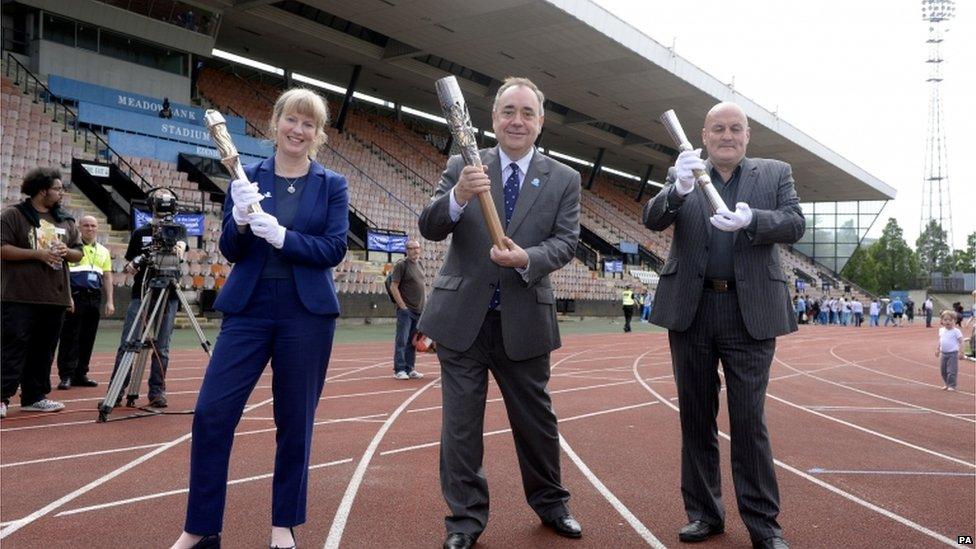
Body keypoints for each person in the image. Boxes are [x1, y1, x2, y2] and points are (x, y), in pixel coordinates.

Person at [170, 88, 348, 549]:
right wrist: (244, 221)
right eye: (292, 119)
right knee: (211, 414)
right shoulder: (246, 177)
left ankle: (283, 524)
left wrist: (284, 236)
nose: (298, 130)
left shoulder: (332, 184)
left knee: (294, 422)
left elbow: (334, 248)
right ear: (276, 122)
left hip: (305, 315)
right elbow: (231, 249)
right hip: (247, 310)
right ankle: (201, 526)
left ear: (318, 134)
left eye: (309, 124)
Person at [417, 77, 583, 549]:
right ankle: (465, 522)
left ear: (540, 122)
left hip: (524, 317)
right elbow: (430, 226)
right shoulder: (462, 164)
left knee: (536, 423)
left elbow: (566, 242)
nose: (517, 120)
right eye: (508, 111)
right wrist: (459, 197)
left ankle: (552, 504)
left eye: (527, 113)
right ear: (492, 119)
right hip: (462, 321)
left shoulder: (564, 178)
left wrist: (526, 257)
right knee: (461, 428)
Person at [643, 102, 802, 549]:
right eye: (718, 128)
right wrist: (676, 188)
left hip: (749, 311)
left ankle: (764, 525)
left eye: (735, 128)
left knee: (749, 421)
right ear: (704, 135)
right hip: (692, 310)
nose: (727, 135)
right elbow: (652, 219)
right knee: (696, 417)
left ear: (747, 135)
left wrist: (755, 220)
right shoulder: (687, 170)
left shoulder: (774, 173)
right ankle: (704, 514)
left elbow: (795, 223)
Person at [1, 167, 83, 418]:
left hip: (54, 296)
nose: (61, 193)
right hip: (19, 295)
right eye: (57, 188)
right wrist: (38, 253)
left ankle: (34, 396)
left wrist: (65, 251)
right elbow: (2, 248)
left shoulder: (66, 220)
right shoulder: (13, 216)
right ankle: (2, 397)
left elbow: (79, 254)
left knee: (44, 350)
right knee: (12, 347)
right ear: (42, 190)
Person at [108, 207, 187, 409]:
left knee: (162, 347)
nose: (163, 218)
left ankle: (157, 392)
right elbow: (130, 263)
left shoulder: (178, 230)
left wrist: (178, 248)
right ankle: (116, 392)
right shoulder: (140, 232)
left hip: (168, 294)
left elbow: (181, 249)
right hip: (142, 292)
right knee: (129, 342)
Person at [57, 215, 114, 389]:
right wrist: (68, 297)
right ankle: (66, 375)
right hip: (75, 295)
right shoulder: (73, 249)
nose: (90, 228)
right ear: (79, 228)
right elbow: (63, 273)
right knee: (70, 337)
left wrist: (109, 300)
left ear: (97, 228)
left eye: (93, 225)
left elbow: (107, 276)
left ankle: (80, 374)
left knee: (88, 338)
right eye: (86, 225)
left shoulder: (104, 251)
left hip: (94, 298)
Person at [390, 239, 426, 380]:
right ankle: (399, 369)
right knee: (402, 340)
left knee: (412, 341)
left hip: (419, 310)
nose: (414, 251)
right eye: (411, 248)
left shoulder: (420, 265)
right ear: (406, 250)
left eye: (416, 248)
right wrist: (403, 306)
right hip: (406, 310)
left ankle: (410, 368)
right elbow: (394, 286)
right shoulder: (401, 265)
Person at [936, 310, 963, 391]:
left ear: (955, 321)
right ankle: (947, 383)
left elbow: (961, 341)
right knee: (943, 370)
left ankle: (952, 385)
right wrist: (937, 349)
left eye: (950, 320)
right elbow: (940, 340)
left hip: (953, 354)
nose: (948, 322)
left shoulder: (956, 331)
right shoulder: (941, 330)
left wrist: (961, 352)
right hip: (943, 354)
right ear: (942, 321)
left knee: (951, 371)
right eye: (945, 320)